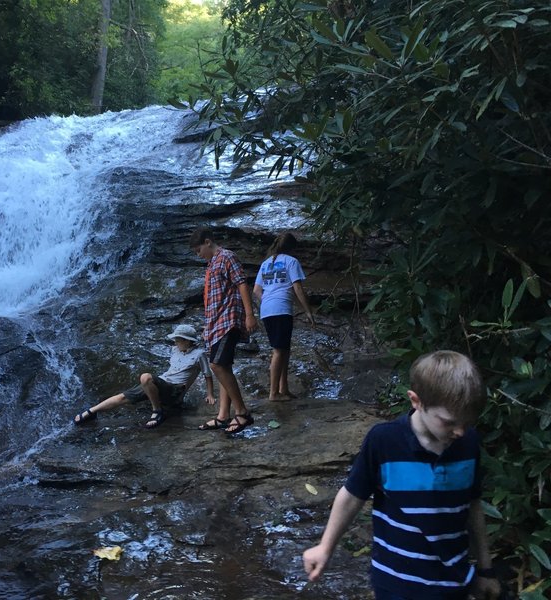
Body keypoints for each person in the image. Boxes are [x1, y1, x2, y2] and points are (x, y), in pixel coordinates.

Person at [302, 351, 502, 600]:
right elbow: (352, 496)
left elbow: (473, 507)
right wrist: (325, 547)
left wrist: (485, 569)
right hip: (396, 584)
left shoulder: (468, 444)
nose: (460, 431)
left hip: (453, 582)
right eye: (449, 422)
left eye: (467, 422)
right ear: (416, 401)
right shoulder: (384, 441)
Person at [73, 324, 215, 429]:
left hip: (175, 390)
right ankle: (92, 411)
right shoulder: (174, 350)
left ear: (188, 341)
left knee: (145, 377)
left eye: (178, 340)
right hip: (162, 383)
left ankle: (157, 411)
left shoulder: (199, 354)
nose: (175, 342)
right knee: (124, 396)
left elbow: (207, 374)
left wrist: (209, 394)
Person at [189, 227, 258, 435]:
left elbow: (242, 285)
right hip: (215, 323)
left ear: (208, 242)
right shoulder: (211, 265)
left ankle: (242, 413)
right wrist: (207, 325)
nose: (198, 254)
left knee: (217, 365)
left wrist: (249, 315)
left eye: (198, 249)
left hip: (228, 321)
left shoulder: (227, 257)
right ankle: (223, 416)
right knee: (223, 366)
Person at [253, 232, 315, 402]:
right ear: (291, 248)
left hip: (267, 310)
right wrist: (308, 311)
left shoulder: (266, 264)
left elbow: (256, 291)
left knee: (284, 349)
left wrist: (269, 300)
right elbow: (298, 288)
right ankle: (273, 393)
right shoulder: (291, 261)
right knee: (279, 351)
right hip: (281, 309)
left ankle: (283, 389)